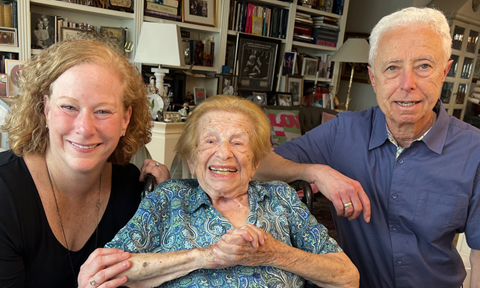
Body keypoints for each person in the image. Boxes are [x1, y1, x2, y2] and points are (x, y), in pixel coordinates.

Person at [254, 7, 480, 288]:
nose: (407, 84)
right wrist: (317, 172)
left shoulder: (475, 151)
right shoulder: (342, 131)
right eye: (392, 68)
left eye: (423, 66)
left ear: (444, 71)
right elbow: (258, 166)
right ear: (374, 78)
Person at [80, 95, 359, 288]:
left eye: (238, 143)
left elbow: (347, 276)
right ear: (192, 159)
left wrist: (274, 253)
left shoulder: (280, 197)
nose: (223, 153)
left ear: (255, 162)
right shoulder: (170, 198)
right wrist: (207, 256)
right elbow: (104, 272)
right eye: (210, 140)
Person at [0, 39, 170, 287]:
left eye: (103, 111)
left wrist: (167, 202)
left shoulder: (131, 187)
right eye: (69, 106)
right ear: (46, 109)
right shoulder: (5, 194)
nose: (84, 128)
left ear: (125, 119)